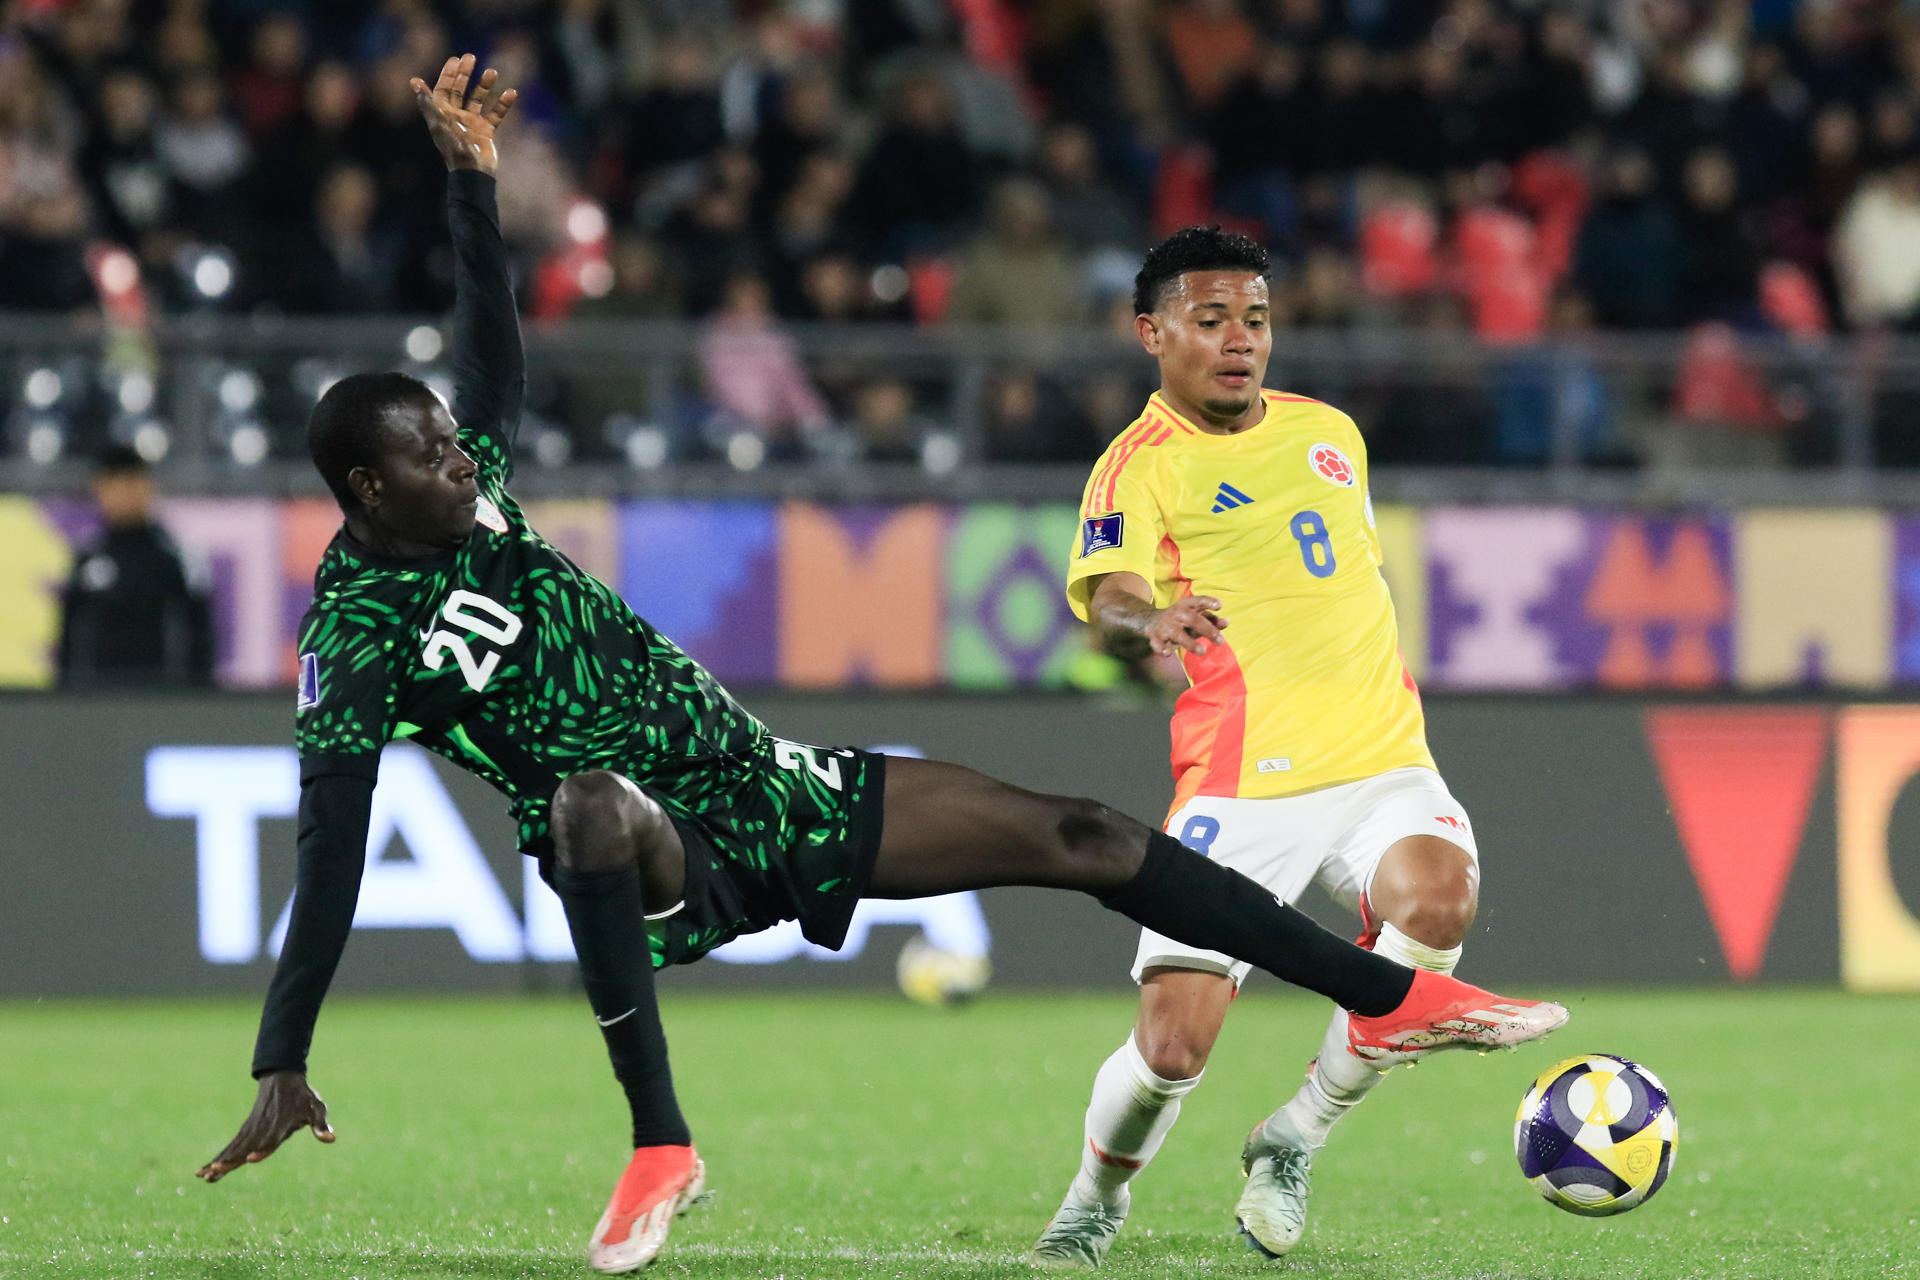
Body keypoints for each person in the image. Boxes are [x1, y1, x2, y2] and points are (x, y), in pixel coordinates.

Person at [193, 59, 1568, 1277]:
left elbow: (492, 355)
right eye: (430, 455)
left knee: (1084, 835)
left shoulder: (473, 480)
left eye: (451, 438)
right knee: (589, 799)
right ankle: (659, 1146)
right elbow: (334, 845)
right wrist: (282, 1053)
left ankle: (1392, 995)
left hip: (773, 784)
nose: (462, 459)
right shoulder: (354, 637)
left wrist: (473, 188)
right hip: (659, 852)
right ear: (366, 487)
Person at [1030, 226, 1502, 1267]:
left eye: (1256, 316)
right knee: (1172, 1044)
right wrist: (1141, 617)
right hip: (1246, 783)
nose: (1241, 339)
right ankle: (1095, 1195)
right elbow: (1109, 588)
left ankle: (1294, 1134)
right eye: (1211, 320)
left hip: (1384, 758)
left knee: (1437, 899)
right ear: (1152, 332)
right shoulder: (1137, 465)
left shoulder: (1330, 430)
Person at [57, 445, 212, 687]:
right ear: (99, 489)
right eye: (114, 483)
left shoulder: (176, 559)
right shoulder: (86, 558)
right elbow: (68, 638)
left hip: (164, 700)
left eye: (131, 482)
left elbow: (199, 637)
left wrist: (197, 697)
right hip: (96, 702)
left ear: (148, 487)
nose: (123, 493)